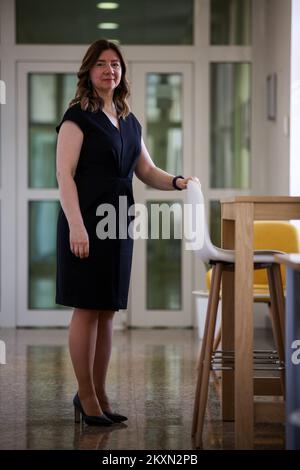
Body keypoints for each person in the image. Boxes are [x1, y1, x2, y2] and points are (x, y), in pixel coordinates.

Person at [56, 38, 199, 426]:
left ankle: (99, 395)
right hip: (85, 220)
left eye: (115, 64)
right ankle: (86, 398)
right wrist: (76, 226)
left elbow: (148, 171)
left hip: (118, 222)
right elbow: (64, 176)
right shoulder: (76, 118)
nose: (109, 70)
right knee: (87, 308)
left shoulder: (130, 122)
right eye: (101, 64)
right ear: (88, 71)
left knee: (108, 312)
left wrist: (180, 181)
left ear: (122, 72)